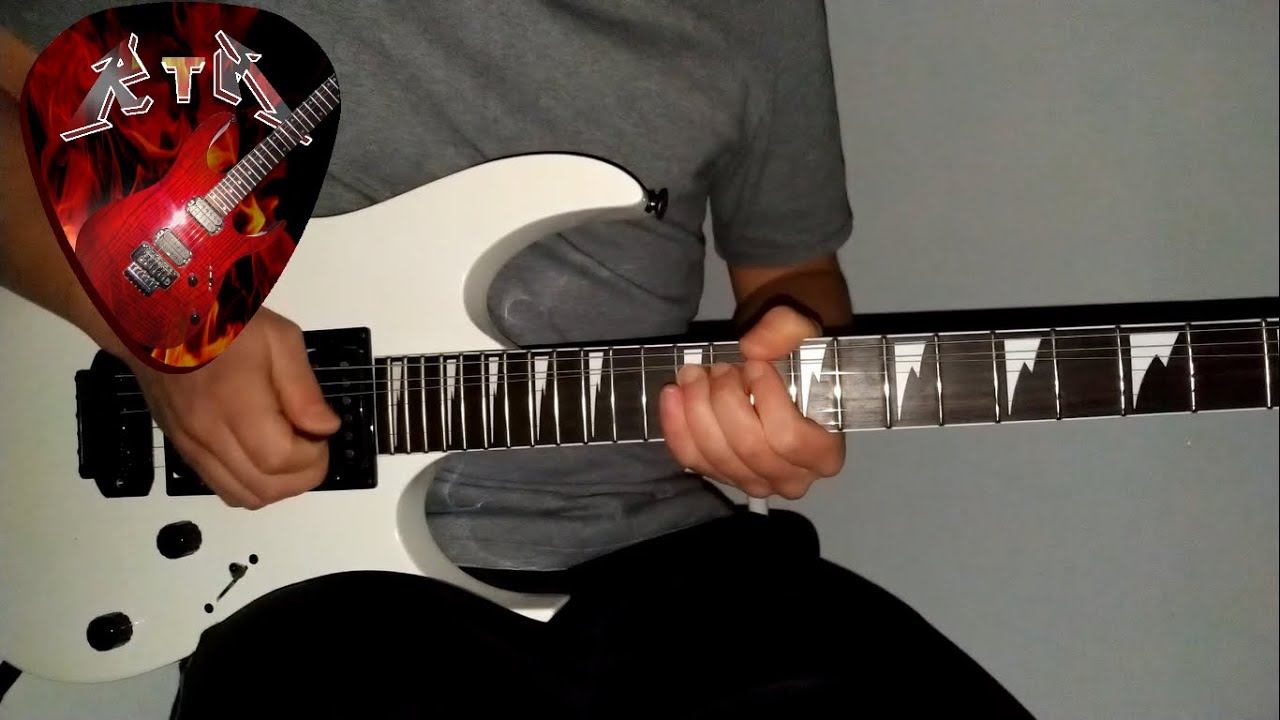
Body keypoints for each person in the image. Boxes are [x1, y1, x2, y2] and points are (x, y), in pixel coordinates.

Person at [0, 2, 1036, 717]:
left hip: (674, 567)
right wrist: (162, 335)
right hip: (314, 583)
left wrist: (794, 384)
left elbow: (792, 275)